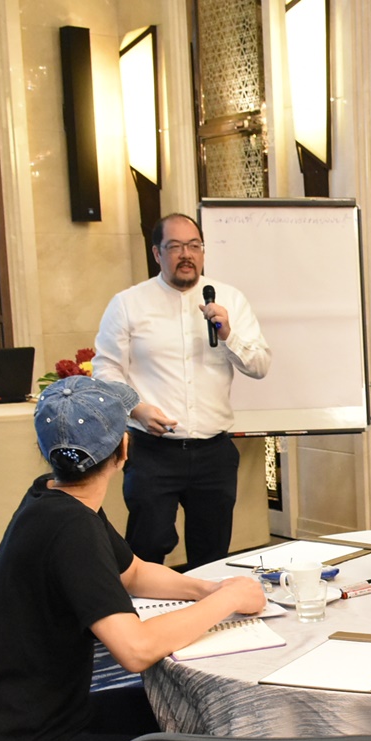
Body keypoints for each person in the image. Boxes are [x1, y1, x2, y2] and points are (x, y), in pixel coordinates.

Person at [0, 376, 266, 741]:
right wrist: (229, 601)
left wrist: (210, 589)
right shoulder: (71, 528)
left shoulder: (52, 497)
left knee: (200, 708)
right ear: (124, 449)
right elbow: (135, 650)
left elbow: (133, 572)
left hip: (32, 722)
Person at [93, 212, 271, 567]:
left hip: (214, 453)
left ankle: (206, 604)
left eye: (193, 246)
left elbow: (259, 366)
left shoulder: (230, 300)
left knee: (212, 555)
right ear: (157, 253)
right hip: (152, 452)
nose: (186, 254)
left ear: (203, 251)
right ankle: (141, 605)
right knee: (146, 548)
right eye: (175, 246)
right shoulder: (128, 303)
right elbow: (106, 368)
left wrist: (228, 334)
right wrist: (136, 408)